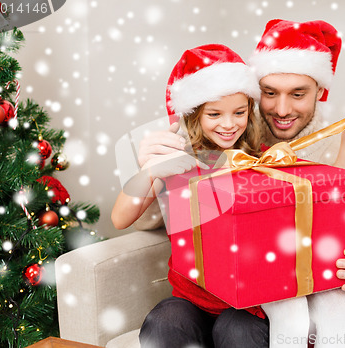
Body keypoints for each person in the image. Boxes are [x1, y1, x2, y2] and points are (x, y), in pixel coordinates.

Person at [136, 19, 345, 348]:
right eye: (270, 93)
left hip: (267, 297)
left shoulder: (342, 156)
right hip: (209, 293)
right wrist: (149, 166)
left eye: (298, 93)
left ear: (320, 92)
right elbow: (148, 219)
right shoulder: (232, 139)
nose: (282, 109)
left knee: (246, 328)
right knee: (166, 324)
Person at [111, 44, 270, 348]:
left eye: (239, 112)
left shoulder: (259, 160)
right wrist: (150, 171)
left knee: (238, 331)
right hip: (191, 298)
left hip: (248, 303)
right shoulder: (176, 160)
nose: (228, 124)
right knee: (162, 324)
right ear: (194, 115)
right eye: (214, 114)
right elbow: (120, 219)